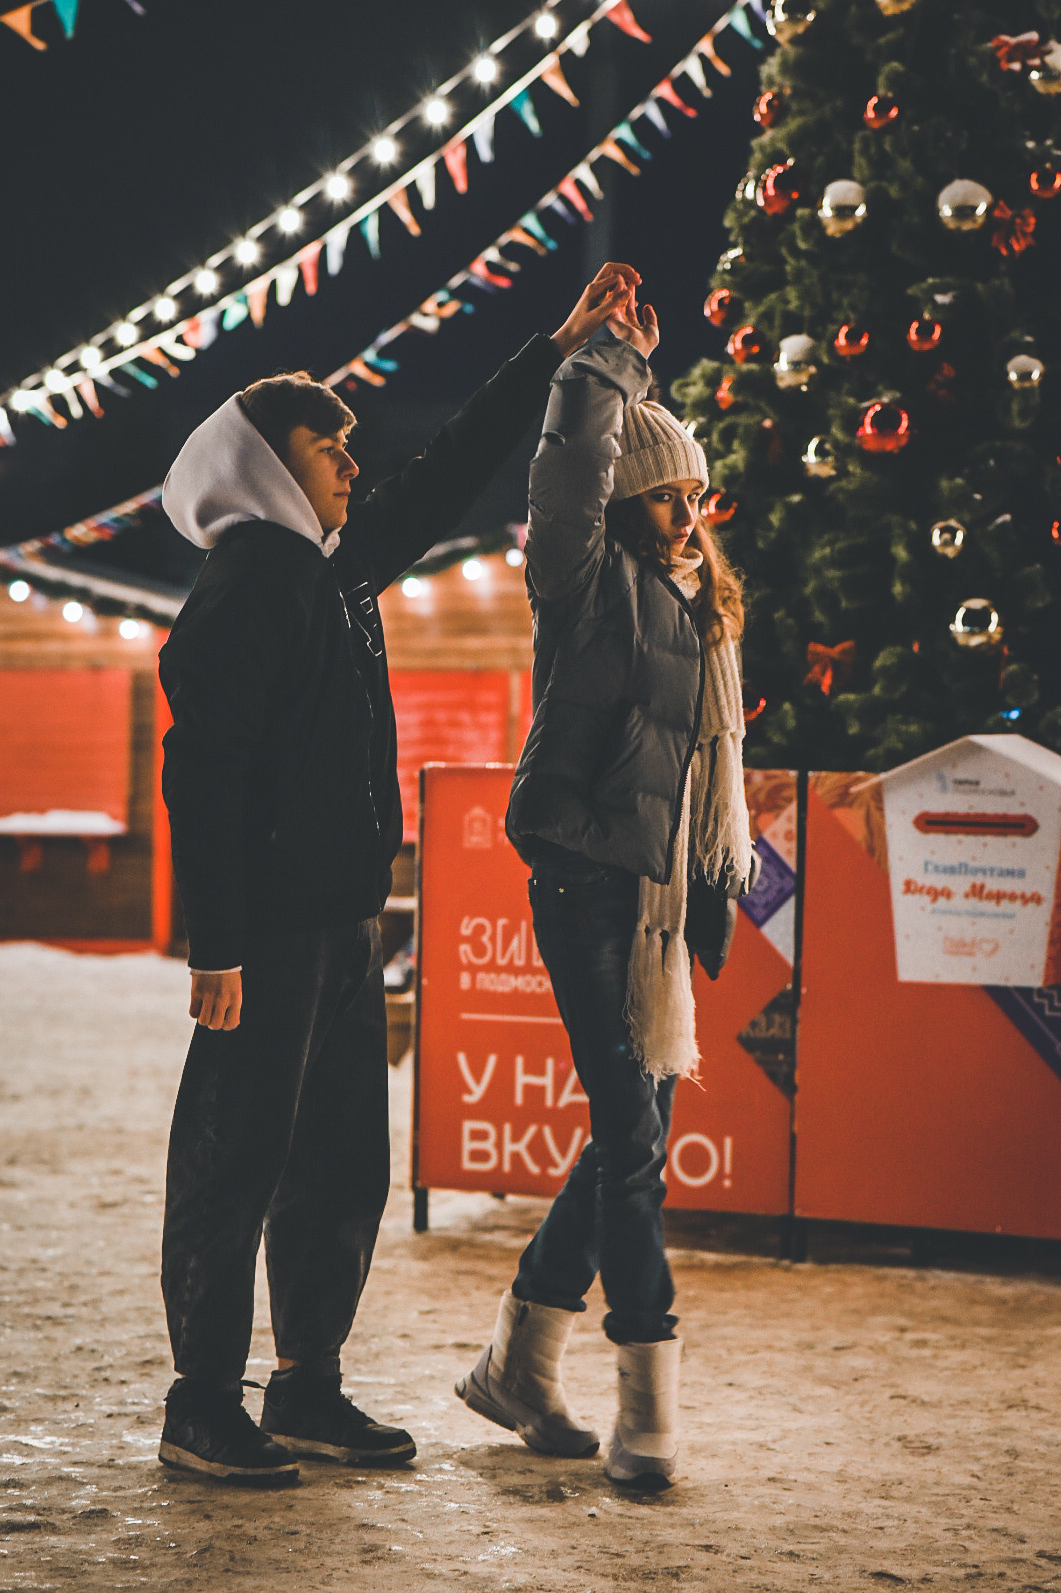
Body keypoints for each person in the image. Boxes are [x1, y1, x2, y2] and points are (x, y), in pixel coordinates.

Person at [156, 265, 640, 1483]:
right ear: (271, 464)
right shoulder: (249, 584)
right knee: (236, 1156)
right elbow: (200, 774)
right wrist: (215, 945)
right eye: (331, 450)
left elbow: (443, 473)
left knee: (335, 1168)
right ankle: (202, 1401)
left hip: (340, 920)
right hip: (264, 932)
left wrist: (550, 350)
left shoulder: (328, 565)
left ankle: (305, 1385)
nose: (354, 468)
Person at [456, 290, 755, 1491]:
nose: (689, 516)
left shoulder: (704, 614)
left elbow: (693, 782)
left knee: (627, 1139)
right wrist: (604, 362)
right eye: (666, 498)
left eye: (700, 496)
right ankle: (648, 1396)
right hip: (587, 888)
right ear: (625, 510)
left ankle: (518, 1365)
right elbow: (567, 468)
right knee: (634, 1140)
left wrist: (710, 895)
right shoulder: (585, 586)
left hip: (658, 907)